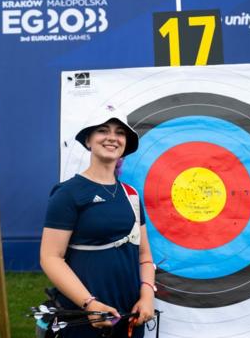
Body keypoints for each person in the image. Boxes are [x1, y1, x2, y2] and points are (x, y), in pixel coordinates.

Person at [40, 109, 156, 338]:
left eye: (120, 133)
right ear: (88, 140)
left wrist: (147, 296)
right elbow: (50, 257)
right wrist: (90, 304)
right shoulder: (68, 193)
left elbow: (144, 256)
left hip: (130, 315)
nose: (112, 137)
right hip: (85, 316)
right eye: (103, 131)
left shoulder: (131, 195)